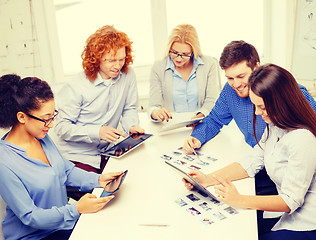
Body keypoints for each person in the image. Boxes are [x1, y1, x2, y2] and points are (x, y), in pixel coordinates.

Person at [184, 64, 316, 240]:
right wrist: (208, 179)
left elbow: (290, 200)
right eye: (256, 107)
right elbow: (252, 161)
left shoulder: (303, 139)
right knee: (237, 227)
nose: (258, 113)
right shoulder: (275, 125)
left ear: (282, 102)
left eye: (262, 107)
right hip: (291, 217)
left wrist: (239, 199)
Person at [183, 40, 316, 196]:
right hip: (258, 162)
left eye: (240, 76)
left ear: (256, 67)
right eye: (230, 78)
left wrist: (300, 167)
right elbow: (215, 119)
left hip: (287, 174)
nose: (235, 84)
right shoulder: (230, 91)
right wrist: (197, 137)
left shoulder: (289, 94)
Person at [0, 74, 122, 240]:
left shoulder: (41, 136)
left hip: (61, 226)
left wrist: (99, 180)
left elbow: (66, 170)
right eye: (45, 119)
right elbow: (30, 216)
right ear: (22, 117)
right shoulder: (4, 162)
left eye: (52, 116)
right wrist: (76, 209)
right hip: (34, 236)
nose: (51, 125)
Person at [54, 25, 144, 174]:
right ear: (96, 59)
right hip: (77, 158)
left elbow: (129, 109)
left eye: (121, 59)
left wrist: (131, 126)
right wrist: (96, 132)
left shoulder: (128, 75)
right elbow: (61, 127)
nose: (117, 66)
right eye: (111, 60)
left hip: (108, 152)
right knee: (101, 192)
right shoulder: (77, 85)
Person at [148, 24, 220, 122]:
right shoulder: (158, 67)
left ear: (193, 51)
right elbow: (153, 106)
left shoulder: (209, 64)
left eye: (185, 54)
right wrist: (156, 112)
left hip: (201, 124)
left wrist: (201, 115)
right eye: (174, 52)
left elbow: (212, 100)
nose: (178, 58)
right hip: (172, 126)